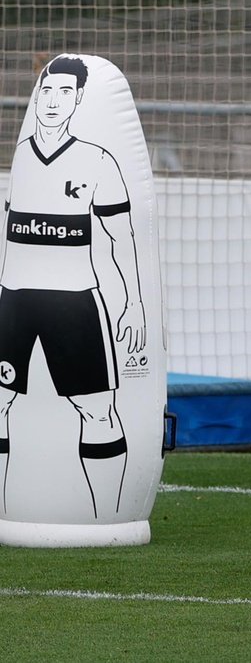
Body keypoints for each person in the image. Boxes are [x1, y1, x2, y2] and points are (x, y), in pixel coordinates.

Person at [0, 55, 146, 517]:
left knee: (98, 410)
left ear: (79, 99)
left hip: (75, 305)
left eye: (65, 92)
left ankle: (107, 519)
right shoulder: (21, 155)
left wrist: (135, 305)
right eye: (47, 90)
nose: (52, 100)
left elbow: (123, 238)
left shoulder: (97, 161)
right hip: (15, 302)